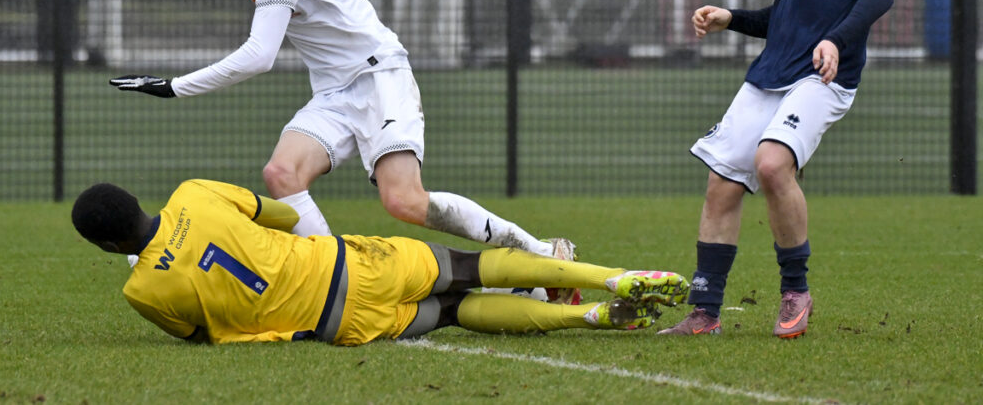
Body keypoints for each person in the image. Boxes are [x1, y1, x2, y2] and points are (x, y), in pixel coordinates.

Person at [87, 0, 579, 302]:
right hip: (334, 93)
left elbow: (259, 56)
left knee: (403, 200)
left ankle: (542, 254)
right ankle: (336, 283)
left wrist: (175, 88)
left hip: (379, 77)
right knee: (282, 174)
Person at [658, 0, 896, 339]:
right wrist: (733, 19)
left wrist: (836, 39)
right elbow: (787, 14)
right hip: (772, 71)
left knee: (770, 165)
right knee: (721, 184)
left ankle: (795, 290)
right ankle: (704, 312)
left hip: (822, 72)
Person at [71, 179, 689, 345]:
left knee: (458, 315)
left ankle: (586, 320)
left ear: (106, 247)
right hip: (353, 263)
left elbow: (196, 333)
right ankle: (607, 279)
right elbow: (283, 217)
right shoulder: (192, 194)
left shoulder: (142, 294)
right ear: (135, 200)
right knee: (472, 269)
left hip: (340, 323)